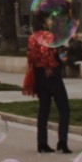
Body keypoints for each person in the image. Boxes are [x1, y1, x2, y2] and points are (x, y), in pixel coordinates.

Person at [26, 13, 71, 153]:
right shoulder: (48, 36)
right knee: (64, 108)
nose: (50, 21)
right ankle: (62, 141)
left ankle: (42, 143)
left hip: (38, 75)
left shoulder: (32, 37)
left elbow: (31, 56)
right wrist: (50, 66)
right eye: (49, 19)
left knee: (44, 110)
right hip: (51, 74)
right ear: (44, 21)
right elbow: (46, 51)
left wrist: (40, 68)